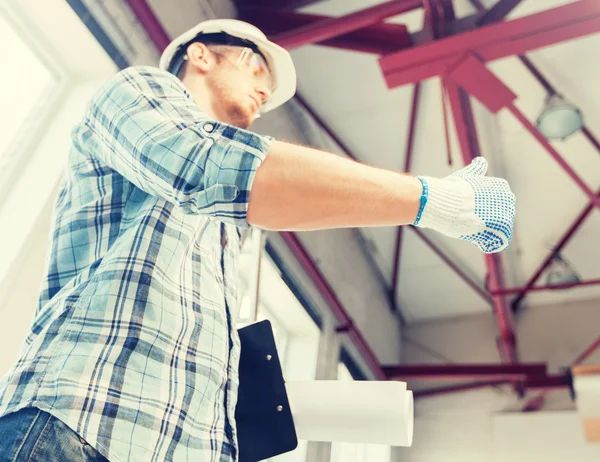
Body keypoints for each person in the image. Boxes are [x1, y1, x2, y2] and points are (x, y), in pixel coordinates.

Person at [0, 19, 515, 462]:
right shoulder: (137, 92)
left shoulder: (229, 228)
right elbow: (209, 167)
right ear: (199, 54)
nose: (265, 91)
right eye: (253, 64)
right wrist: (434, 199)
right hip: (77, 427)